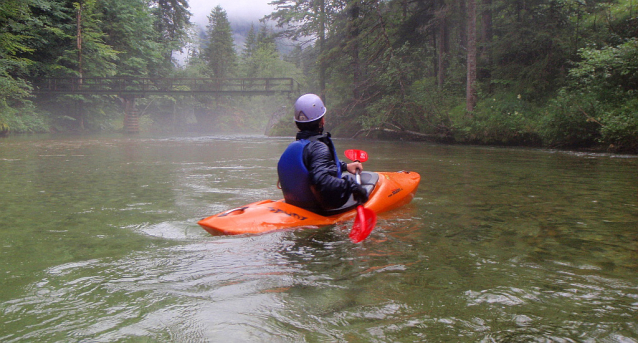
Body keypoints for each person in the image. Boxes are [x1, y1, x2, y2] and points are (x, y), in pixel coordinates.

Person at [277, 94, 369, 213]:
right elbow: (322, 181)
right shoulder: (318, 148)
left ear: (297, 123)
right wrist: (352, 186)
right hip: (315, 210)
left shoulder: (297, 146)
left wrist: (345, 166)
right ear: (322, 120)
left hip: (295, 204)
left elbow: (313, 166)